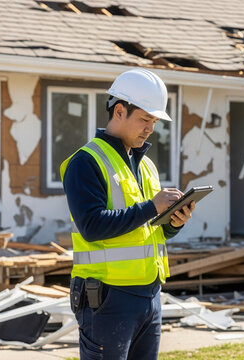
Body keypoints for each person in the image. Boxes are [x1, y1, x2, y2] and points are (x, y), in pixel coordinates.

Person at [60, 68, 195, 359]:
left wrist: (173, 224)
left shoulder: (146, 166)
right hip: (107, 298)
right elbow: (92, 226)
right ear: (119, 110)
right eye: (145, 119)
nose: (150, 128)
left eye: (155, 121)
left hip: (149, 295)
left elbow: (147, 228)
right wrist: (152, 207)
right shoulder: (86, 162)